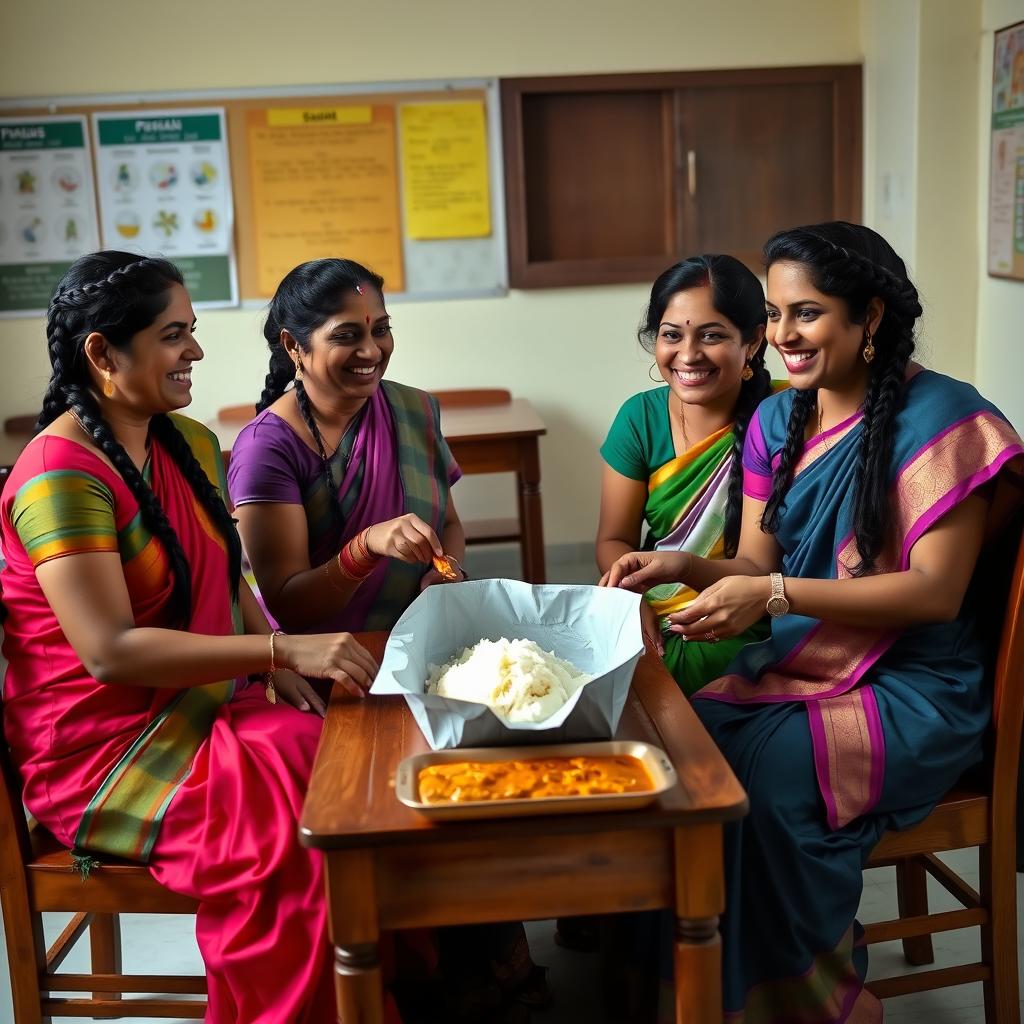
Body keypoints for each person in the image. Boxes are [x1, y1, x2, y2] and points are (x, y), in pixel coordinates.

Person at [602, 222, 1024, 1022]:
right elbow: (758, 566)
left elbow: (933, 594)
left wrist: (775, 599)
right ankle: (701, 996)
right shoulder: (776, 423)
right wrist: (684, 568)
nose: (782, 336)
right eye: (773, 314)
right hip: (803, 668)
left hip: (914, 687)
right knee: (678, 755)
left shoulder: (949, 423)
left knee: (763, 785)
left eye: (807, 314)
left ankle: (821, 1004)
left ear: (869, 317)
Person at [0, 252, 400, 1024]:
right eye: (174, 335)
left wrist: (273, 655)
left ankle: (375, 988)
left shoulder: (181, 440)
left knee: (353, 752)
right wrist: (281, 651)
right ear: (103, 354)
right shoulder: (59, 476)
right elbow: (109, 651)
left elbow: (230, 576)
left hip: (199, 702)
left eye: (193, 331)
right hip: (102, 747)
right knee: (292, 816)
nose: (197, 352)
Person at [227, 258, 465, 635]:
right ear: (293, 345)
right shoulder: (266, 448)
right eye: (347, 335)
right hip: (326, 660)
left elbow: (448, 523)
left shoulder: (412, 410)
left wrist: (447, 570)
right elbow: (290, 606)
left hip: (423, 636)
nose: (372, 351)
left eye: (381, 330)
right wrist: (365, 547)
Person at [597, 254, 776, 697]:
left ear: (752, 341)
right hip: (655, 608)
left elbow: (761, 570)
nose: (689, 355)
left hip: (752, 614)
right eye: (671, 335)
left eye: (712, 336)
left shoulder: (784, 416)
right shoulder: (639, 418)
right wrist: (631, 597)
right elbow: (613, 539)